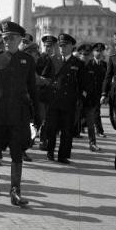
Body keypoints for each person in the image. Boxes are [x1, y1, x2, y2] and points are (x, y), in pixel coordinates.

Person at [0, 21, 39, 205]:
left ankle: (15, 190)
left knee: (17, 151)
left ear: (20, 39)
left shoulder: (27, 60)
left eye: (11, 38)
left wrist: (36, 116)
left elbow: (33, 89)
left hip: (19, 114)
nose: (7, 41)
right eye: (5, 38)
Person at [45, 33, 84, 164]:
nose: (62, 48)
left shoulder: (78, 63)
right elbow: (45, 78)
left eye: (65, 46)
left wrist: (79, 99)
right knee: (52, 128)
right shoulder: (52, 59)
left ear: (71, 46)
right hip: (54, 101)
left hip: (69, 102)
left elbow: (82, 83)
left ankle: (63, 155)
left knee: (67, 130)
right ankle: (50, 151)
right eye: (60, 45)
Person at [76, 43, 101, 152]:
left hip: (89, 100)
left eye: (87, 54)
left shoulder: (95, 67)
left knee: (91, 123)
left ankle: (92, 143)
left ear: (90, 55)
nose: (85, 56)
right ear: (79, 54)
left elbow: (96, 84)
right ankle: (67, 143)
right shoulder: (76, 65)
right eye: (82, 54)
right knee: (71, 122)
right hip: (76, 99)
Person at [92, 42, 107, 137]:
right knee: (93, 111)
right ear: (93, 52)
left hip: (100, 92)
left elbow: (106, 79)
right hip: (90, 92)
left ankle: (99, 130)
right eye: (97, 51)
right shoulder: (89, 63)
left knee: (96, 111)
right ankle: (99, 130)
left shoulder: (105, 64)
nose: (99, 53)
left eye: (101, 51)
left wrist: (105, 93)